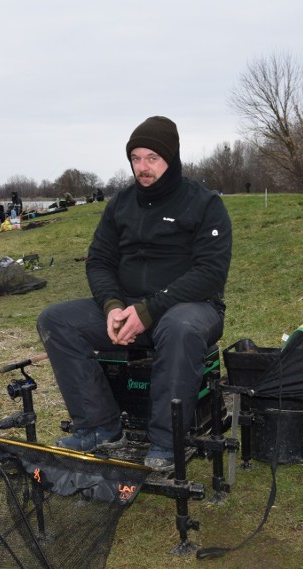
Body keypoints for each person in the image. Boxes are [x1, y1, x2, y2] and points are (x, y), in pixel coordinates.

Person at [36, 116, 232, 471]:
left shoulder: (205, 204)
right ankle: (99, 427)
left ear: (171, 159)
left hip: (191, 307)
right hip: (127, 306)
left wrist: (148, 311)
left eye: (152, 158)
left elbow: (210, 273)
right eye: (136, 158)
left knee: (180, 327)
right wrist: (112, 306)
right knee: (56, 320)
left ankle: (165, 441)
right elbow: (99, 261)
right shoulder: (120, 204)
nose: (142, 167)